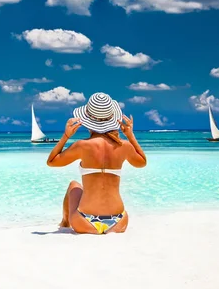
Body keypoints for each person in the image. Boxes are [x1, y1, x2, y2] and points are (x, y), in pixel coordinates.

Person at [46, 92, 147, 234]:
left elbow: (51, 162)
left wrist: (66, 136)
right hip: (119, 221)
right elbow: (142, 162)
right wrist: (130, 136)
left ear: (87, 121)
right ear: (113, 118)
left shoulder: (82, 145)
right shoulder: (123, 146)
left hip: (84, 221)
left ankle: (65, 223)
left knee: (74, 185)